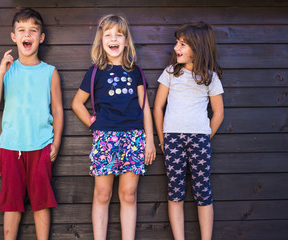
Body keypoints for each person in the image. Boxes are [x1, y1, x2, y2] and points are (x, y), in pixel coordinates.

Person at [71, 14, 156, 240]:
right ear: (101, 40)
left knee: (128, 194)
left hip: (134, 137)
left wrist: (149, 140)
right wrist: (93, 122)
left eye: (119, 34)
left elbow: (145, 107)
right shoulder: (95, 72)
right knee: (103, 193)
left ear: (126, 41)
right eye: (108, 34)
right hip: (105, 137)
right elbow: (77, 104)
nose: (113, 39)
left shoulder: (135, 71)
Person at [0, 8, 63, 240]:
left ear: (41, 37)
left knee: (41, 202)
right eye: (21, 30)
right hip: (11, 147)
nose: (26, 34)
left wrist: (56, 143)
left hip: (41, 146)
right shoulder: (8, 70)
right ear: (14, 37)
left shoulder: (50, 72)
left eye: (32, 30)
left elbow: (58, 110)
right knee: (12, 203)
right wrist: (1, 71)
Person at [153, 22, 224, 240]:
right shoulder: (170, 73)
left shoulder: (210, 77)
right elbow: (158, 107)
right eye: (177, 43)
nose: (176, 48)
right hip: (172, 139)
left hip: (200, 139)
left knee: (203, 192)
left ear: (198, 47)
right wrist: (163, 140)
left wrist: (204, 136)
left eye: (182, 44)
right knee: (175, 192)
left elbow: (218, 113)